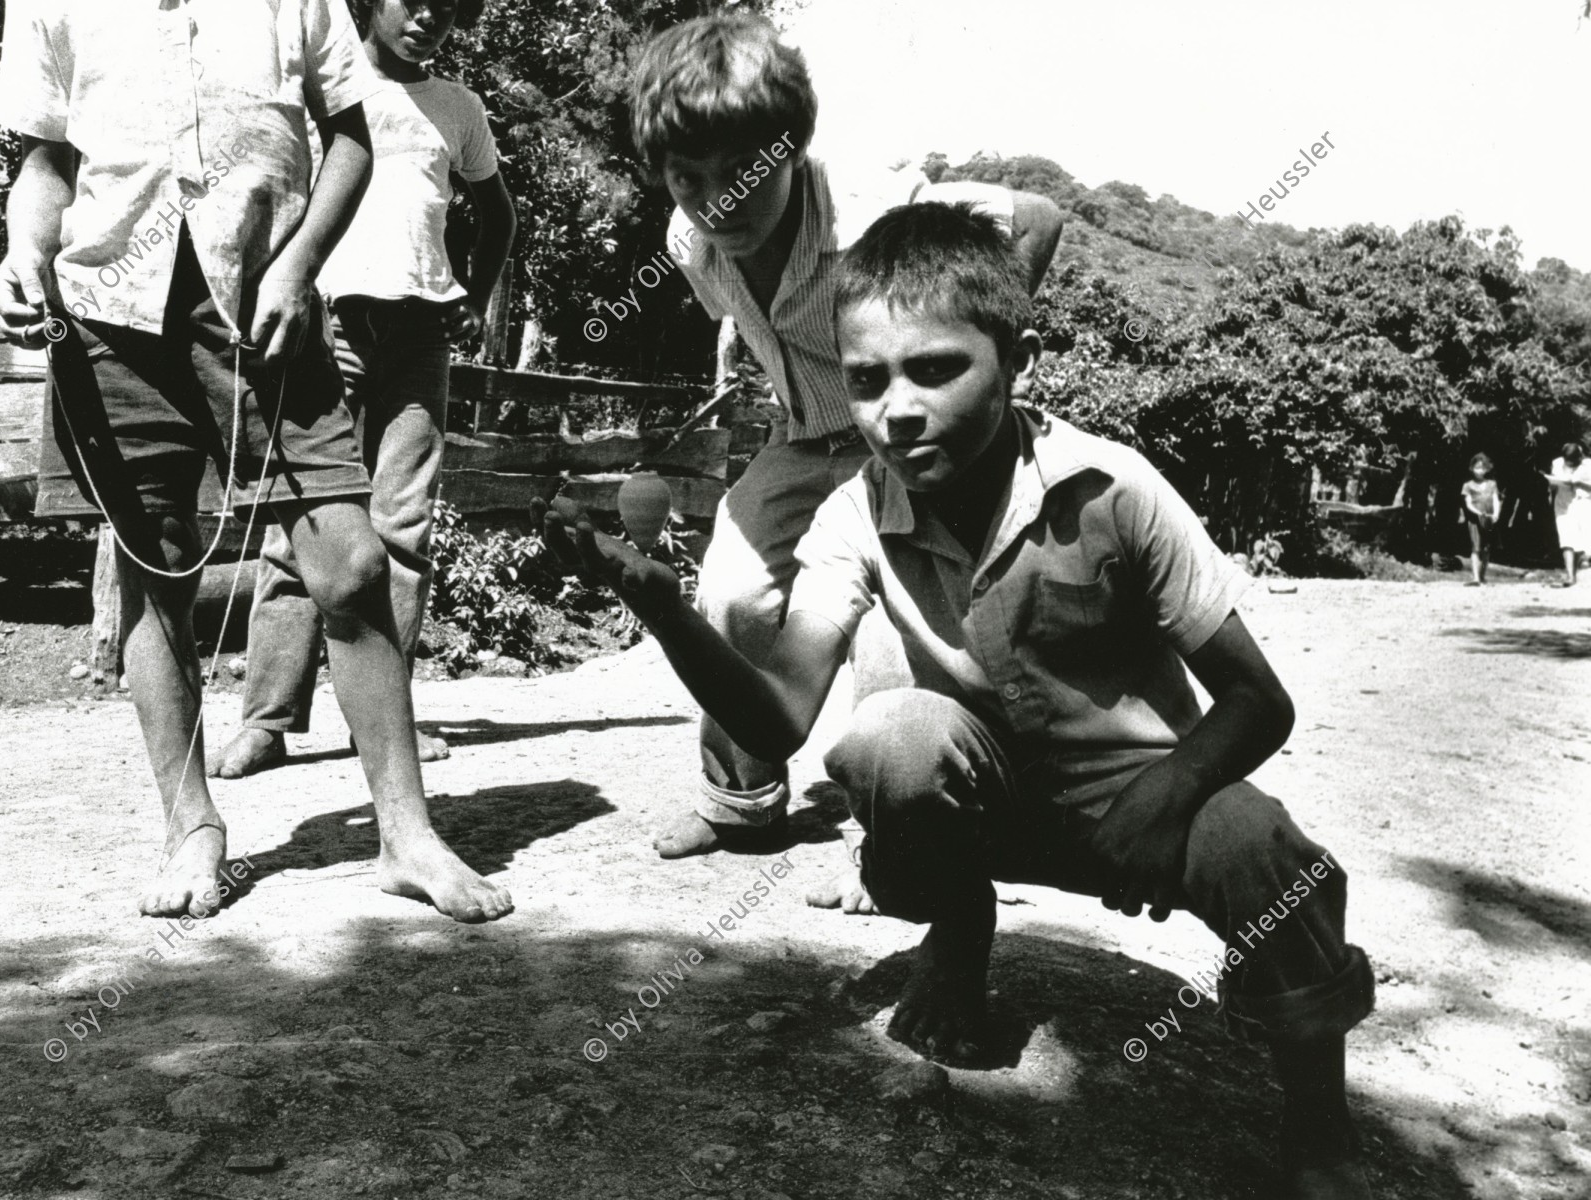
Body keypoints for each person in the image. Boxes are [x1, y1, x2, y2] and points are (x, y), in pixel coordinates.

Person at [538, 203, 1375, 1197]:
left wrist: (1170, 794)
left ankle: (1319, 1104)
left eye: (935, 368)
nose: (895, 409)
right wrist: (668, 612)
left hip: (1147, 807)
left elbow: (1257, 703)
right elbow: (779, 720)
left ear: (1019, 359)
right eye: (866, 380)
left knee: (1262, 853)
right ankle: (958, 919)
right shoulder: (855, 513)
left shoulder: (1114, 490)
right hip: (992, 806)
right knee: (893, 738)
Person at [0, 0, 512, 924]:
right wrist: (24, 254)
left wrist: (301, 264)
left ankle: (407, 833)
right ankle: (191, 825)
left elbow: (350, 133)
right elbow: (45, 158)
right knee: (154, 572)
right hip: (112, 314)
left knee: (349, 561)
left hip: (269, 306)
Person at [626, 12, 1065, 866]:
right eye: (688, 178)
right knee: (730, 595)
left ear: (790, 149)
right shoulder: (689, 242)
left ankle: (905, 842)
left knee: (891, 628)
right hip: (805, 437)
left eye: (743, 175)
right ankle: (740, 802)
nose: (718, 203)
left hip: (894, 441)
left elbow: (1037, 220)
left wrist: (969, 371)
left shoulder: (868, 211)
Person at [210, 0, 517, 778]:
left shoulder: (458, 107)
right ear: (369, 5)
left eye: (448, 11)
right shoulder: (328, 94)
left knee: (403, 525)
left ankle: (380, 723)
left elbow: (498, 216)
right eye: (412, 3)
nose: (429, 20)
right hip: (329, 327)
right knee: (298, 522)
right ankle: (268, 720)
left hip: (420, 333)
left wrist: (474, 301)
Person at [1545, 442, 1591, 588]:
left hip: (1582, 503)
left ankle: (1576, 571)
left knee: (1580, 540)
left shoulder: (1588, 465)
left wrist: (1579, 484)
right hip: (1563, 504)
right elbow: (1553, 483)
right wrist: (1553, 483)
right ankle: (1570, 576)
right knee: (1566, 539)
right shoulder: (1557, 463)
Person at [1460, 452, 1501, 586]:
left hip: (1489, 520)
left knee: (1487, 549)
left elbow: (1496, 500)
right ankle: (1476, 577)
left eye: (1482, 468)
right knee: (1475, 548)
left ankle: (1483, 575)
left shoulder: (1492, 484)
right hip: (1475, 520)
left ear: (1487, 469)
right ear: (1472, 468)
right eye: (1477, 467)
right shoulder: (1468, 485)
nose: (1480, 470)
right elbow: (1468, 503)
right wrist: (1478, 513)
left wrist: (1496, 514)